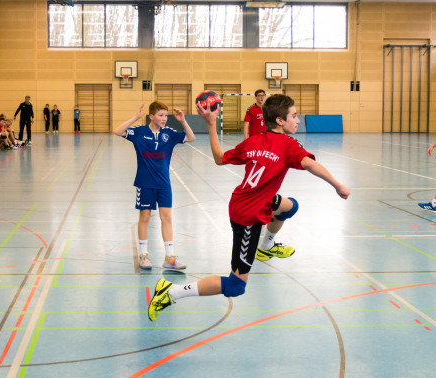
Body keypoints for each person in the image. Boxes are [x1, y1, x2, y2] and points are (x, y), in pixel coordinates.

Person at [147, 94, 351, 321]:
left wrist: (211, 125)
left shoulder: (254, 141)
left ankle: (266, 247)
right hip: (247, 216)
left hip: (253, 199)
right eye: (294, 116)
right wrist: (338, 184)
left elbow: (219, 158)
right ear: (280, 121)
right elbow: (309, 163)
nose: (298, 120)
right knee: (236, 285)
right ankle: (170, 292)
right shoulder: (289, 145)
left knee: (290, 207)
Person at [114, 101, 195, 271]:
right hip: (145, 183)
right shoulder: (139, 132)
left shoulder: (169, 134)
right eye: (161, 115)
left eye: (166, 115)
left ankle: (170, 257)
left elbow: (191, 138)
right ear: (151, 116)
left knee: (167, 217)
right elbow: (118, 131)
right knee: (144, 217)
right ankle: (144, 255)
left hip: (164, 184)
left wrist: (183, 121)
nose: (164, 119)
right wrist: (135, 117)